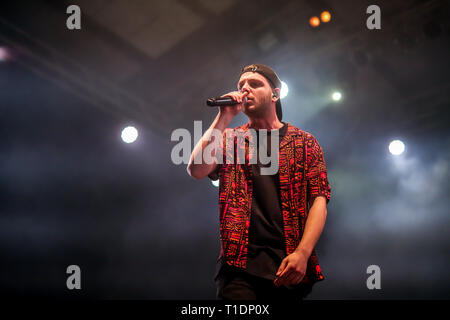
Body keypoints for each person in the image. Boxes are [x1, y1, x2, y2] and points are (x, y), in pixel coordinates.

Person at [187, 64, 331, 300]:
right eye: (241, 85)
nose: (245, 89)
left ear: (275, 94)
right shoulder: (231, 139)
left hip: (288, 265)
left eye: (254, 84)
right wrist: (224, 116)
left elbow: (319, 201)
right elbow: (196, 170)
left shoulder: (304, 142)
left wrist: (303, 254)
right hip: (238, 267)